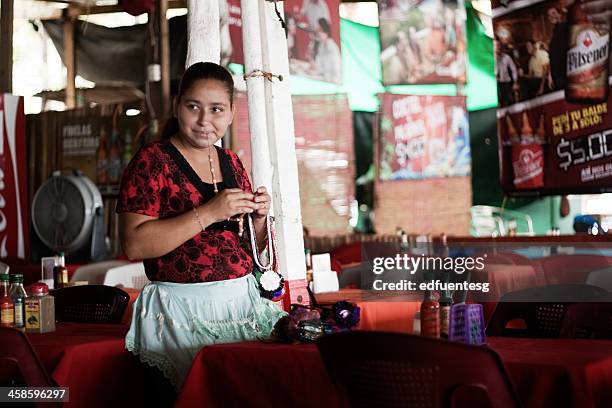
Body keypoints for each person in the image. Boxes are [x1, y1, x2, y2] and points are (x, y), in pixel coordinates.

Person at [117, 62, 286, 401]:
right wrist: (209, 212)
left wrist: (257, 219)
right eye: (193, 107)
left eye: (216, 109)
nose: (204, 120)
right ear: (177, 105)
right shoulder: (153, 161)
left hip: (240, 307)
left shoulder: (232, 162)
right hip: (179, 314)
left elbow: (247, 247)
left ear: (231, 112)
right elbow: (134, 244)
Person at [312, 18, 342, 83]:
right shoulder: (321, 45)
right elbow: (319, 63)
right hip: (324, 78)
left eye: (320, 30)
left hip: (333, 81)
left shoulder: (332, 47)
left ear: (326, 32)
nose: (317, 33)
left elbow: (335, 70)